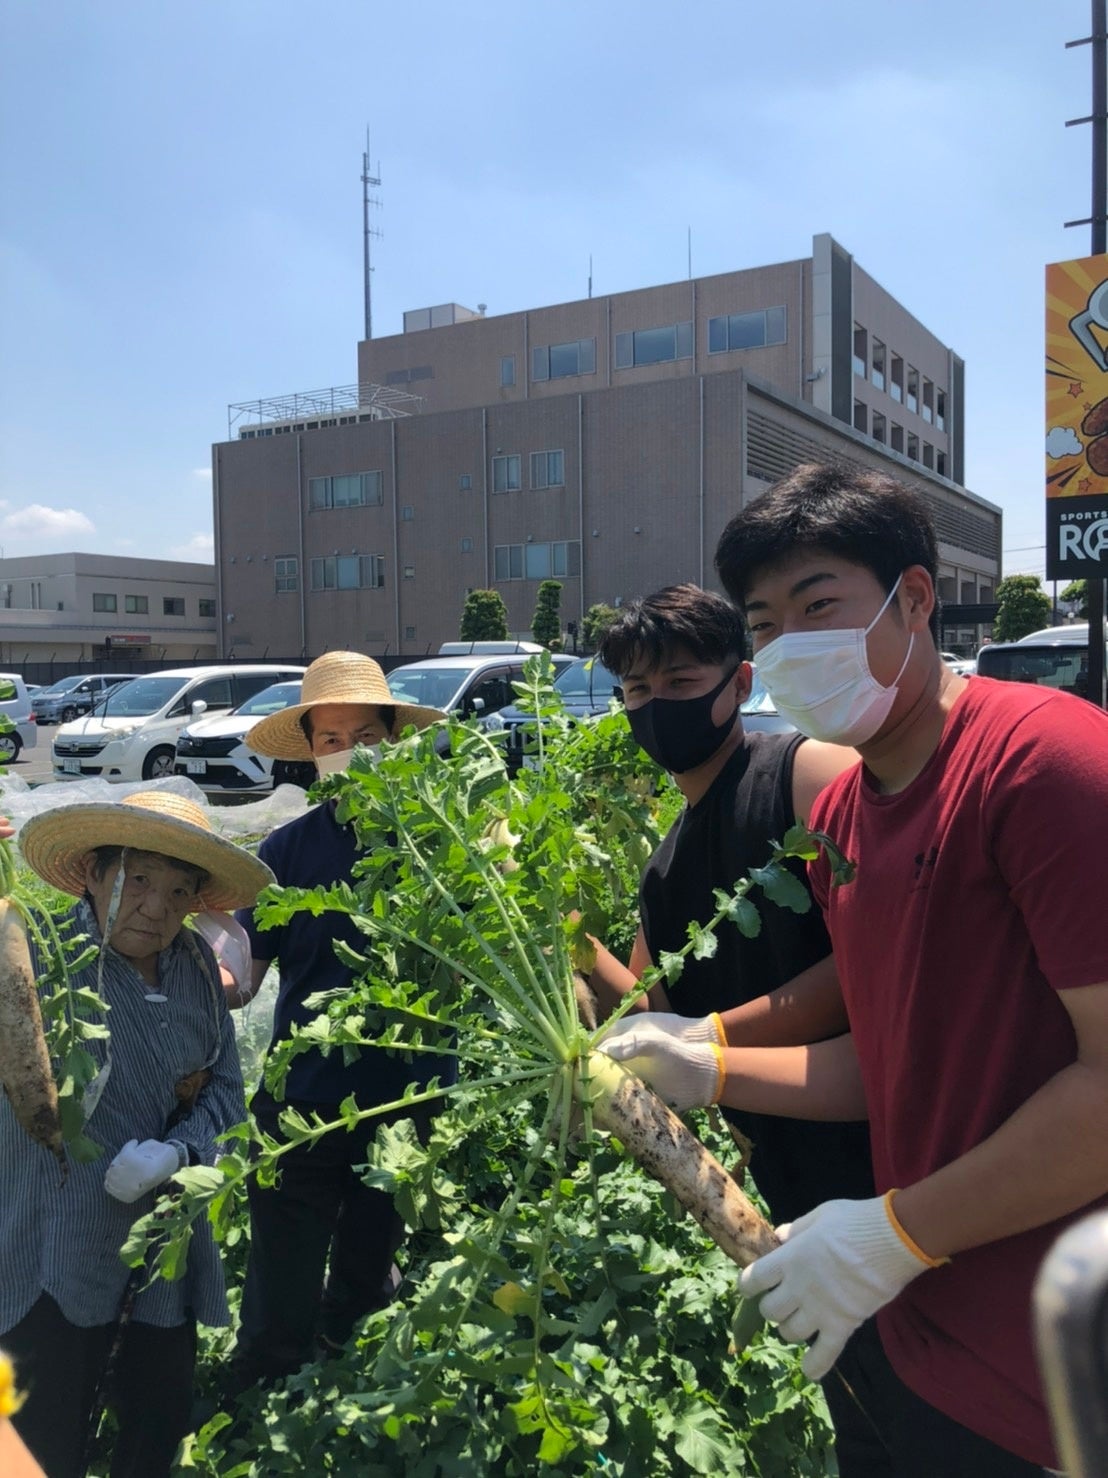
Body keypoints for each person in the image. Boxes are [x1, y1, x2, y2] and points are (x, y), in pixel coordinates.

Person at [601, 462, 1108, 1475]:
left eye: (817, 603)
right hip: (911, 1333)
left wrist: (896, 1231)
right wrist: (709, 1059)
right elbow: (886, 1062)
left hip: (1054, 1366)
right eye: (765, 620)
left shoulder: (1044, 761)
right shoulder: (838, 820)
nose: (791, 643)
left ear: (912, 598)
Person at [591, 584, 890, 1475]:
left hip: (884, 1152)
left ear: (740, 680)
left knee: (929, 1406)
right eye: (636, 694)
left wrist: (712, 1043)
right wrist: (571, 949)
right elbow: (653, 1008)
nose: (657, 708)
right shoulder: (667, 858)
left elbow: (876, 965)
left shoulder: (805, 773)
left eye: (679, 680)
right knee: (865, 1409)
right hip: (783, 1171)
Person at [1, 790, 273, 1478]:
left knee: (157, 1423)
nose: (156, 906)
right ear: (92, 872)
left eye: (179, 889)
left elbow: (227, 1093)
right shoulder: (36, 960)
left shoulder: (196, 976)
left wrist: (178, 1151)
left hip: (162, 1247)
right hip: (53, 1236)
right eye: (139, 879)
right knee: (40, 1437)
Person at [225, 651, 449, 1393]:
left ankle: (349, 1400)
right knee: (277, 1297)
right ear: (313, 752)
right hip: (306, 1103)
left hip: (404, 1107)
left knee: (363, 1280)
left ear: (394, 738)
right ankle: (263, 1401)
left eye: (365, 736)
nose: (348, 752)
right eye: (330, 739)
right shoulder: (286, 851)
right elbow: (241, 978)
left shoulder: (443, 846)